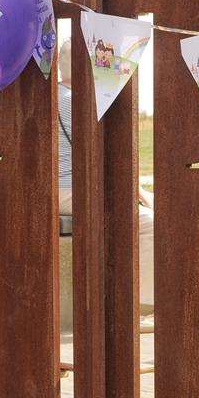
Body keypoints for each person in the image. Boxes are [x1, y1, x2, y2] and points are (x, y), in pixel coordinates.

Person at [57, 40, 156, 310]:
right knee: (148, 222)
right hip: (67, 191)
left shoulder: (52, 95)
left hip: (55, 189)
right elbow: (106, 156)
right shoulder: (78, 103)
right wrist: (137, 193)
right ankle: (140, 308)